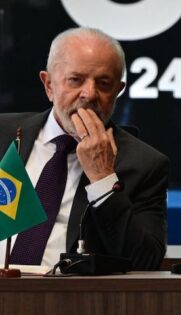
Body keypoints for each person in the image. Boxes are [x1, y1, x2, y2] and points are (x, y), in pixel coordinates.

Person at [0, 27, 169, 270]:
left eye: (103, 83)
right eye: (75, 80)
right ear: (48, 85)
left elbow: (146, 262)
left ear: (117, 92)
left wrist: (103, 177)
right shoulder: (3, 134)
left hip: (66, 298)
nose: (89, 94)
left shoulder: (143, 164)